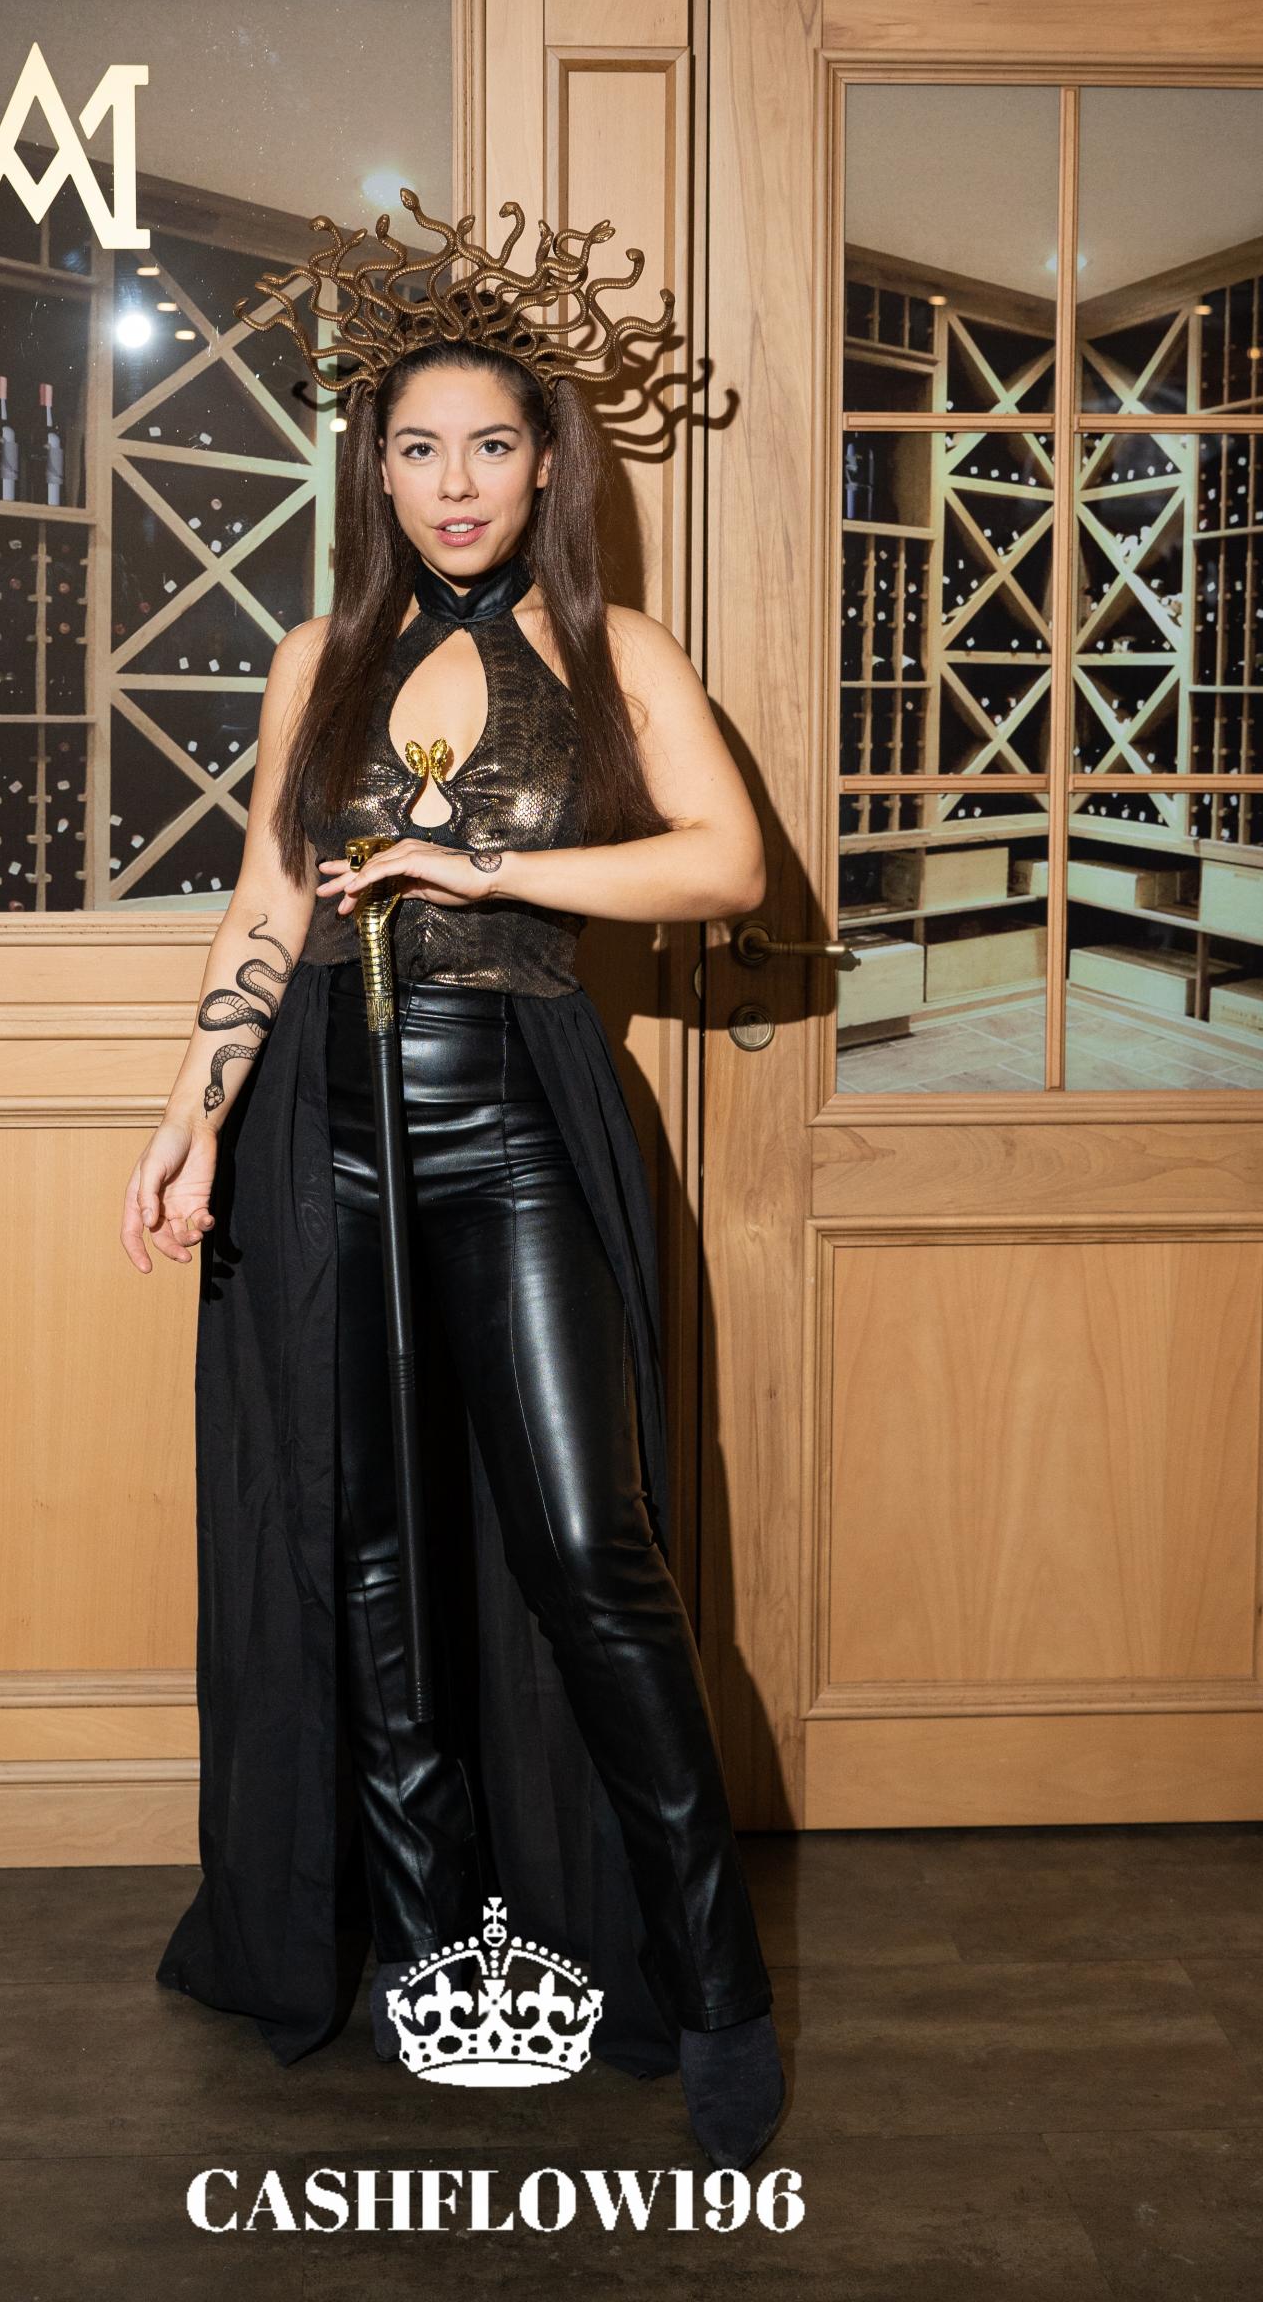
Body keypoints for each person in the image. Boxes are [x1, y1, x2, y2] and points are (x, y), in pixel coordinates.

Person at [121, 191, 787, 2171]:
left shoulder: (616, 649)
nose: (455, 483)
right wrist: (191, 1113)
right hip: (319, 1125)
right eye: (417, 449)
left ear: (546, 463)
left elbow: (726, 867)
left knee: (588, 1550)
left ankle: (715, 1986)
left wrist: (483, 867)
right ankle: (426, 1948)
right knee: (365, 1551)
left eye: (491, 444)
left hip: (515, 1121)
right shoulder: (317, 658)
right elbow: (267, 906)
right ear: (377, 471)